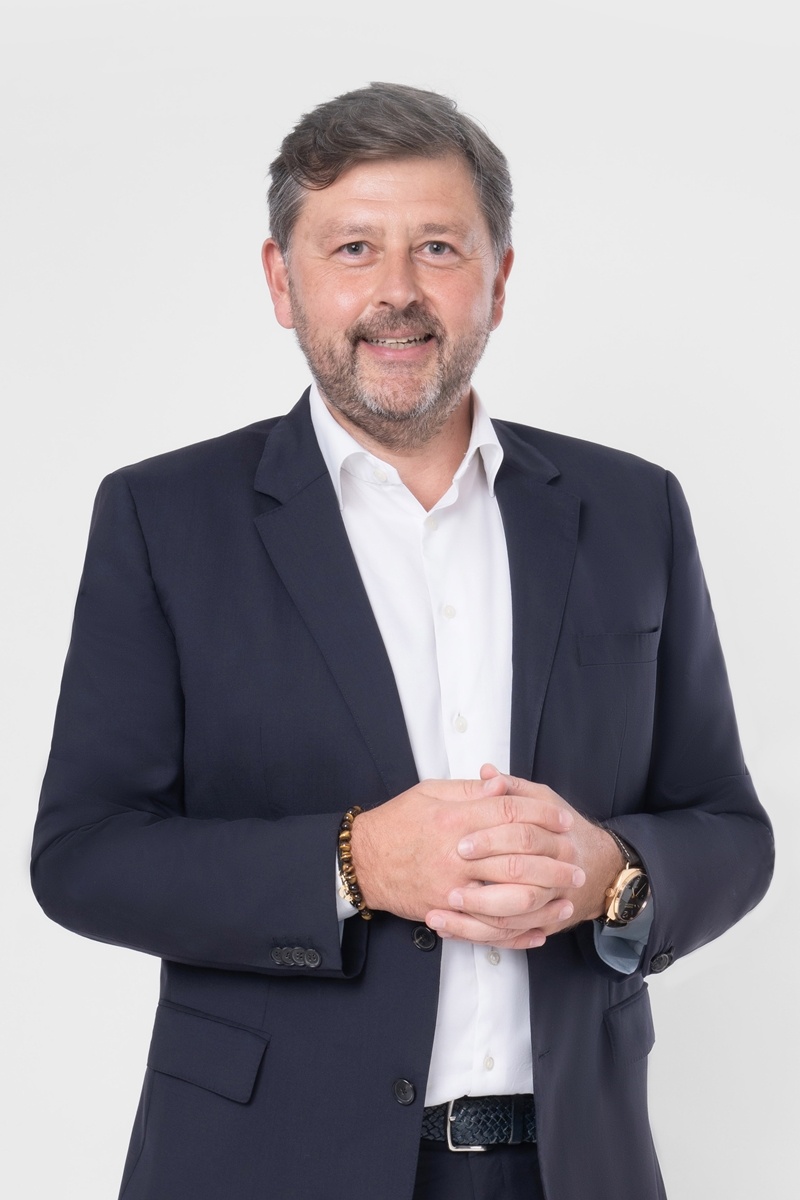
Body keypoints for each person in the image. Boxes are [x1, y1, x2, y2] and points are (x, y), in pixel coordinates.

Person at [31, 82, 773, 1200]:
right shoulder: (162, 517)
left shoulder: (631, 511)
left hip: (574, 1165)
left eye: (436, 246)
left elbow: (728, 829)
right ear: (281, 280)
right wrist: (354, 864)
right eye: (352, 248)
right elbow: (83, 855)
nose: (396, 292)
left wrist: (612, 876)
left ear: (498, 279)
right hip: (265, 1168)